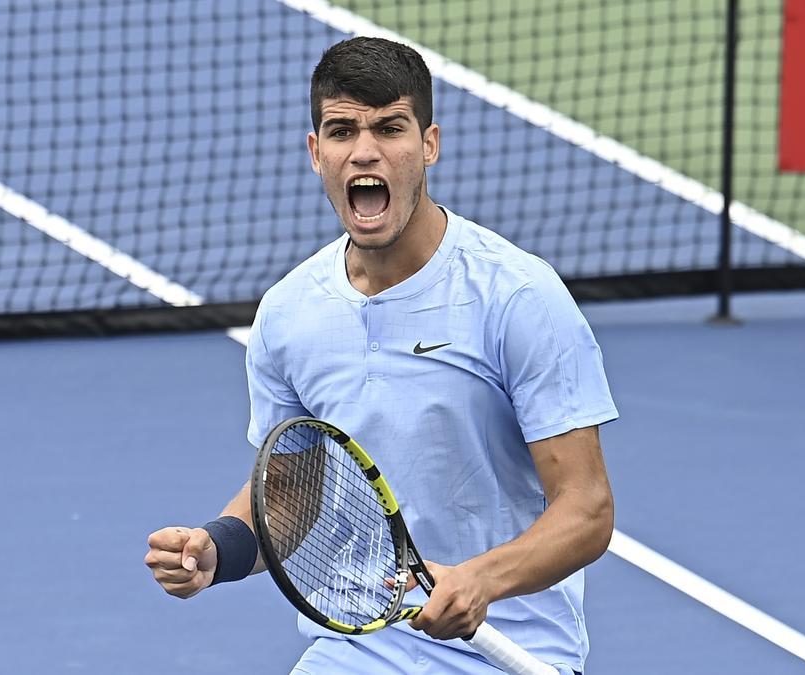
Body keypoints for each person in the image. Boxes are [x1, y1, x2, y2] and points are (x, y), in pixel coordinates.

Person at [146, 36, 617, 675]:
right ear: (317, 153)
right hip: (356, 648)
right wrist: (217, 549)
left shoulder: (518, 297)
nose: (364, 151)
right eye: (341, 131)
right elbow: (290, 492)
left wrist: (480, 580)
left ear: (429, 144)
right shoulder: (289, 312)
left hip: (508, 653)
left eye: (390, 128)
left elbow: (586, 508)